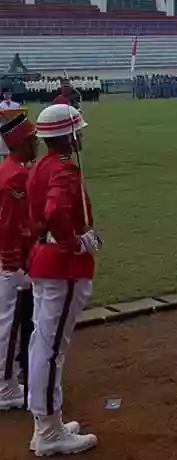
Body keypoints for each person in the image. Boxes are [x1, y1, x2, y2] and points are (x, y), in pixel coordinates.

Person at [27, 104, 100, 455]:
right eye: (78, 130)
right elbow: (55, 210)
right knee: (52, 349)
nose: (81, 135)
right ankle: (49, 432)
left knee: (42, 344)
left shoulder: (40, 166)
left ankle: (46, 423)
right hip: (63, 266)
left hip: (44, 260)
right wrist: (75, 243)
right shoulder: (64, 170)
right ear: (68, 136)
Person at [0, 111, 38, 413]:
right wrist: (14, 265)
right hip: (10, 262)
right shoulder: (16, 176)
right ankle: (5, 388)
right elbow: (10, 224)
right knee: (9, 326)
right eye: (32, 138)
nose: (37, 141)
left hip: (9, 261)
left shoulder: (10, 169)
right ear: (22, 142)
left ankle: (8, 383)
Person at [0, 87, 22, 159]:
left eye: (9, 94)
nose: (8, 96)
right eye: (6, 94)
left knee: (14, 150)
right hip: (4, 128)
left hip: (13, 129)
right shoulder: (0, 105)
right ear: (3, 95)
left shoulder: (16, 105)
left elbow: (20, 116)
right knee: (5, 150)